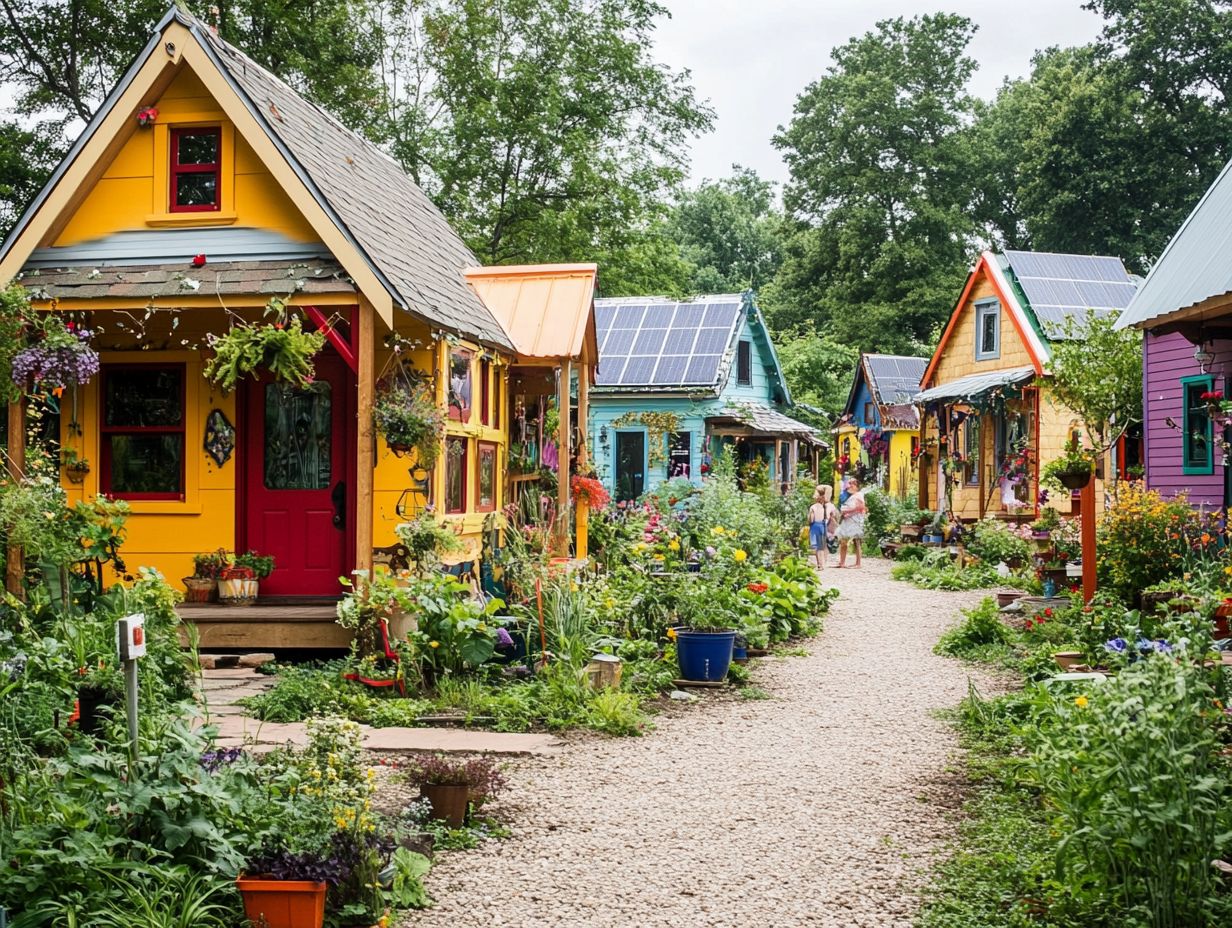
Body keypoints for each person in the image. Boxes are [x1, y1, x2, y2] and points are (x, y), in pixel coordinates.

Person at [836, 476, 867, 567]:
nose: (849, 486)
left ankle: (858, 563)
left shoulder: (859, 495)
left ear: (856, 486)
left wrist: (847, 511)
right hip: (848, 521)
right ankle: (842, 562)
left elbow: (860, 508)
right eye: (848, 484)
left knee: (856, 542)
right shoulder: (852, 496)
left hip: (855, 521)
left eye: (851, 484)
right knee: (843, 541)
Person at [807, 485, 839, 569]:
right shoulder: (827, 506)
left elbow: (811, 519)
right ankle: (824, 561)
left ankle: (820, 564)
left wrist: (809, 522)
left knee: (818, 546)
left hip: (817, 526)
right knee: (823, 544)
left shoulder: (813, 507)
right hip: (824, 526)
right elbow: (832, 516)